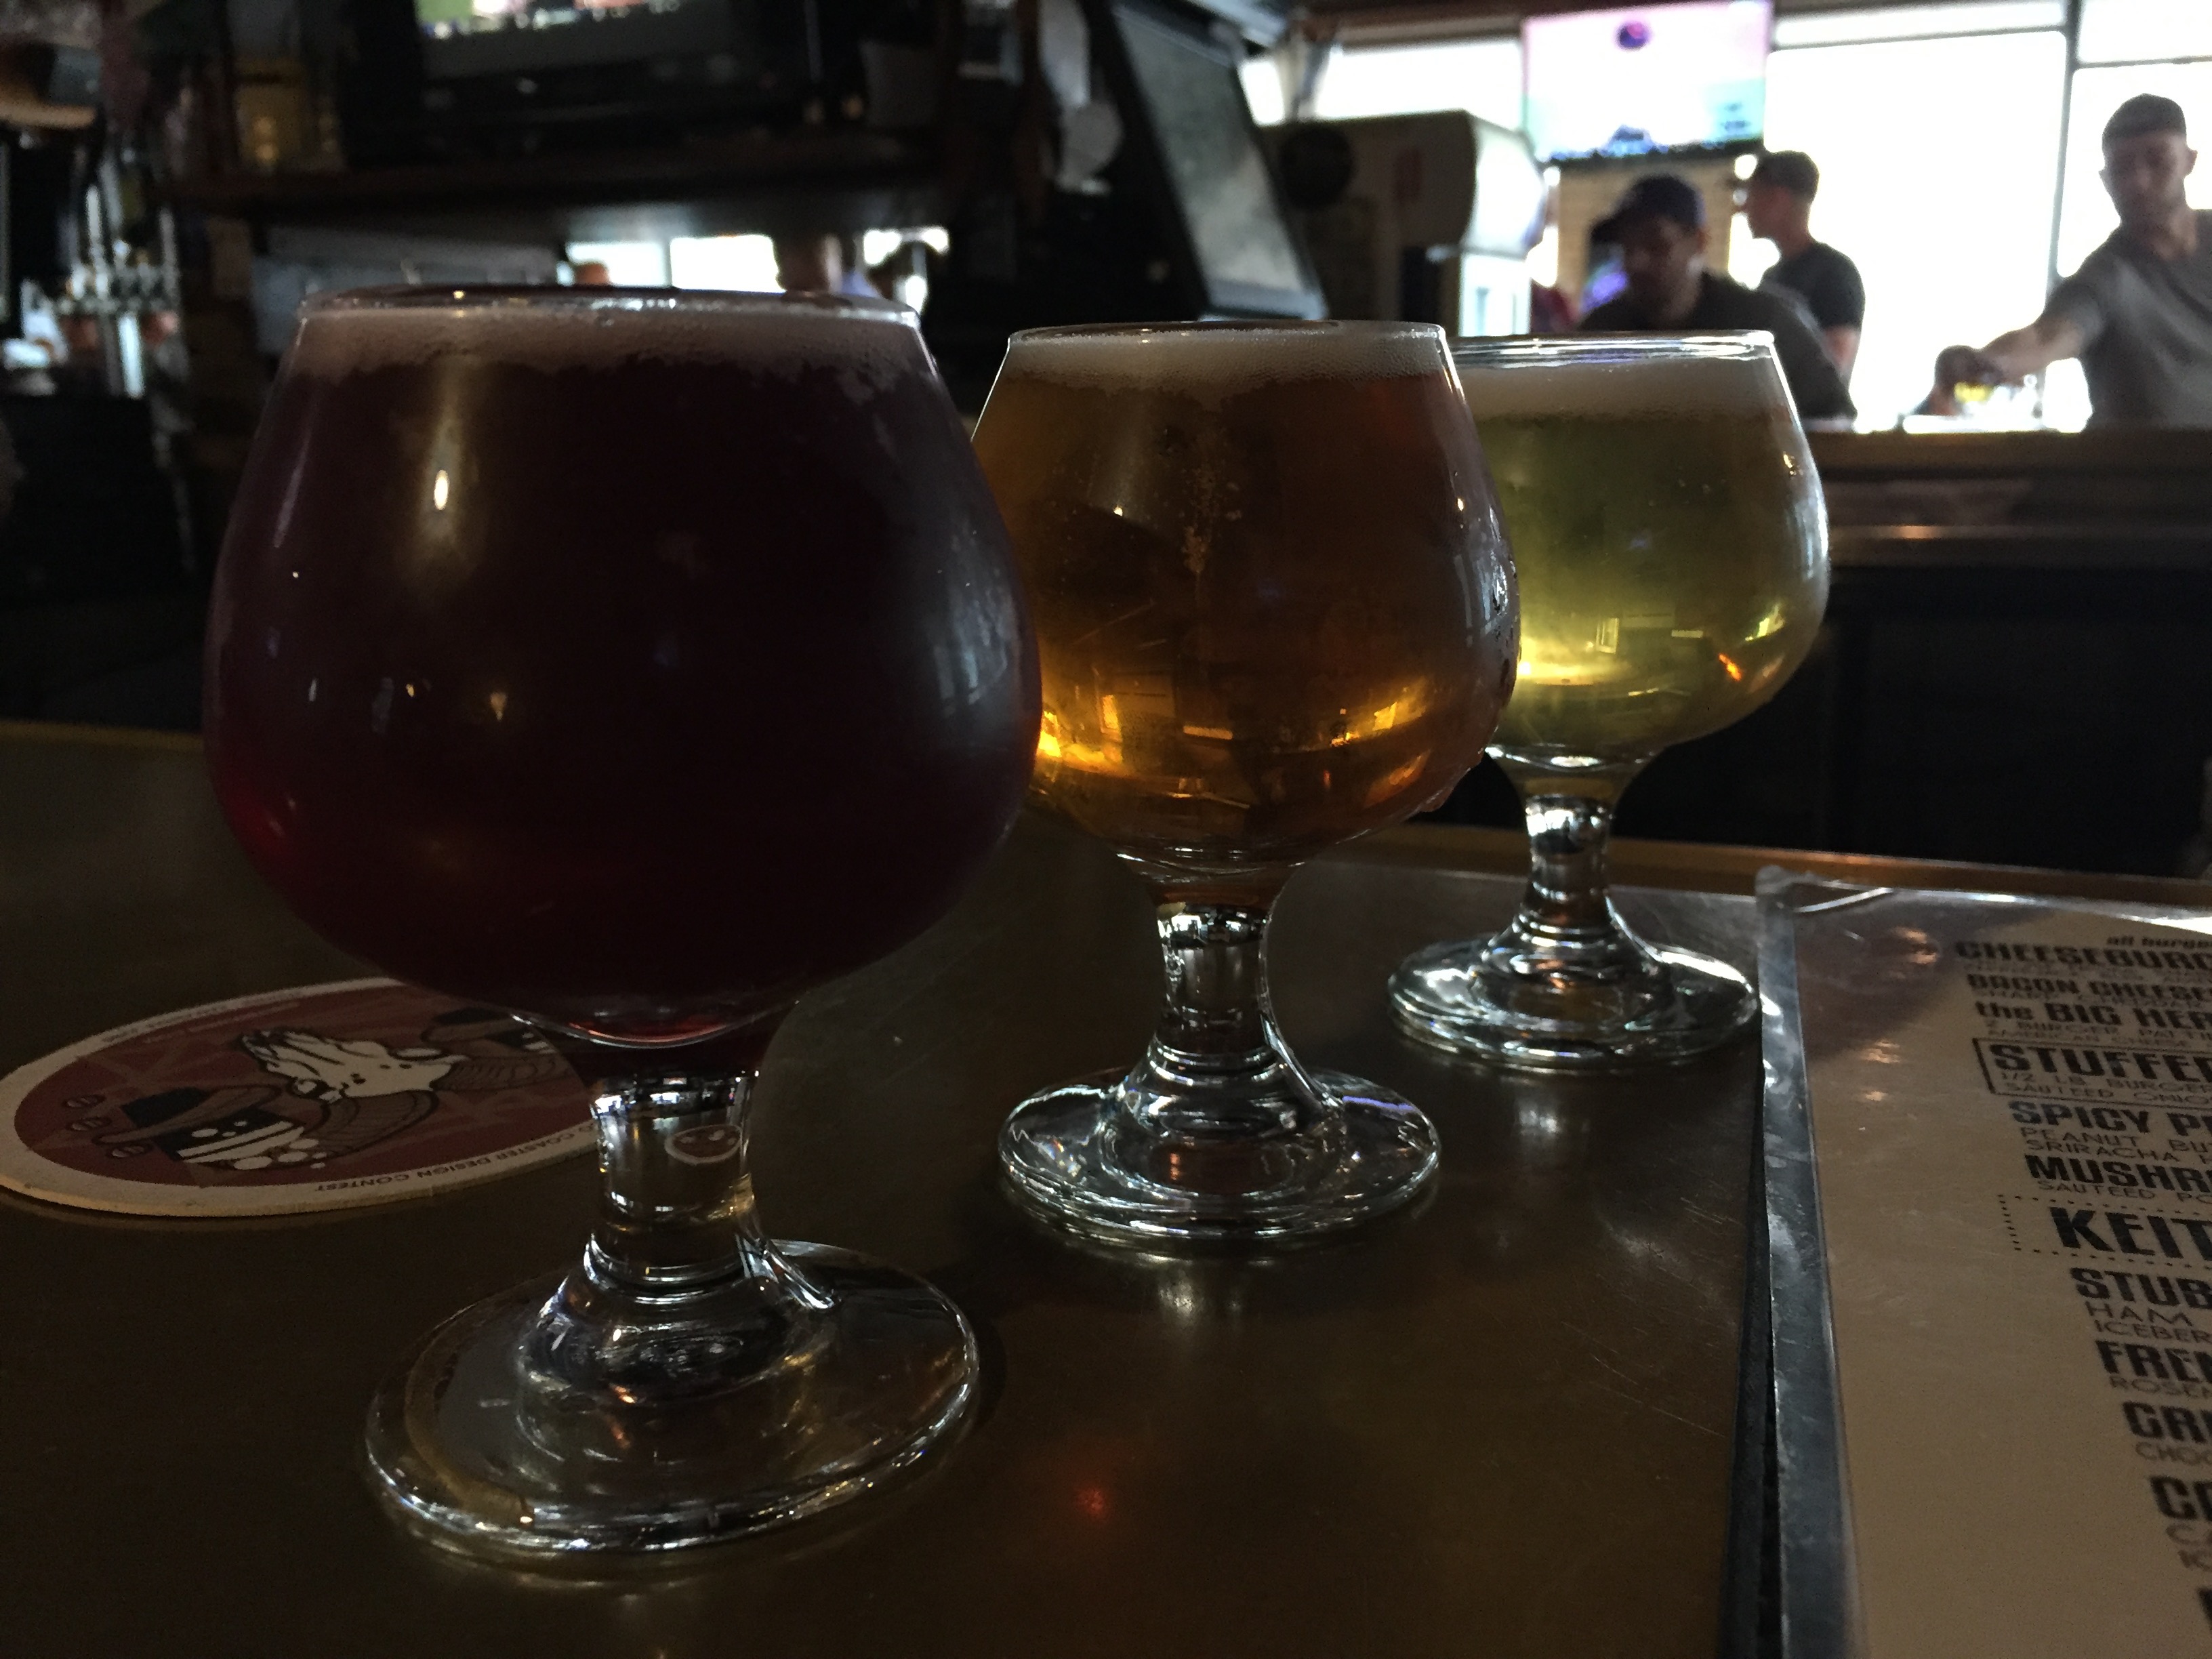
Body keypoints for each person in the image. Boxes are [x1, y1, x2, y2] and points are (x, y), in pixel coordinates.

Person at [1942, 94, 2211, 427]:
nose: (2139, 183)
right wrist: (1988, 365)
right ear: (2106, 181)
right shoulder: (2104, 278)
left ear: (2189, 161)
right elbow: (2047, 336)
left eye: (2158, 162)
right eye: (2122, 169)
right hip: (2137, 461)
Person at [1578, 174, 1855, 422]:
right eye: (1627, 247)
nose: (1636, 261)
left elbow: (1835, 421)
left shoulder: (1765, 325)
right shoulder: (1600, 332)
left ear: (1699, 241)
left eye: (1656, 244)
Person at [1742, 150, 1866, 379]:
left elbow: (1832, 372)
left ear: (1777, 198)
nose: (1744, 207)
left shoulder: (1835, 273)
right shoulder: (1772, 277)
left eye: (1751, 195)